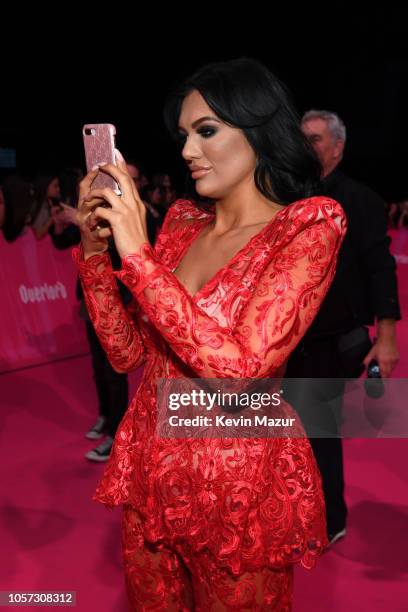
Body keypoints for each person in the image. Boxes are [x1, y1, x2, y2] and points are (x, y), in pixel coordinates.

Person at [72, 58, 347, 610]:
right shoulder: (181, 223)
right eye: (183, 136)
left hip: (239, 496)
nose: (187, 152)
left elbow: (240, 373)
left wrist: (138, 257)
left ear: (259, 129)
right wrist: (98, 253)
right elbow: (127, 355)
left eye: (206, 131)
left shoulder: (308, 226)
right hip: (150, 479)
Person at [283, 110, 400, 546]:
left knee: (320, 431)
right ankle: (295, 507)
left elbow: (380, 269)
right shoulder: (287, 196)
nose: (306, 145)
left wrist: (386, 337)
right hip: (286, 337)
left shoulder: (361, 200)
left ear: (338, 146)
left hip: (331, 340)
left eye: (314, 139)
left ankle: (330, 518)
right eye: (302, 139)